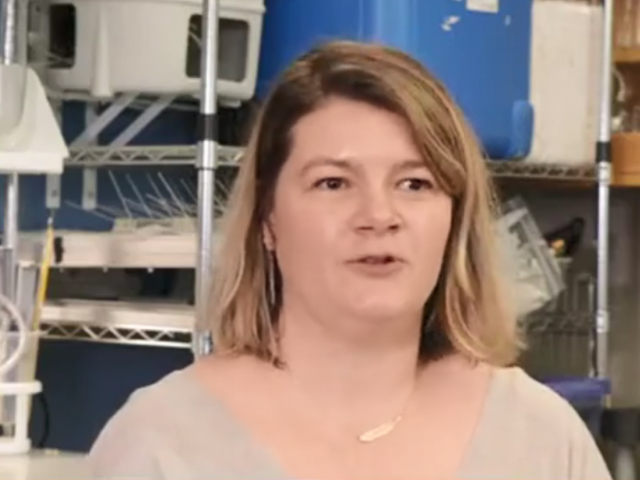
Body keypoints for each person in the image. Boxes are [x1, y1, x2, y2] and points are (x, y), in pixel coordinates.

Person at [88, 40, 612, 479]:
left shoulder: (542, 440)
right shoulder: (161, 444)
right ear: (267, 220)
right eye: (333, 183)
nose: (379, 215)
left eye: (414, 183)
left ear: (454, 219)